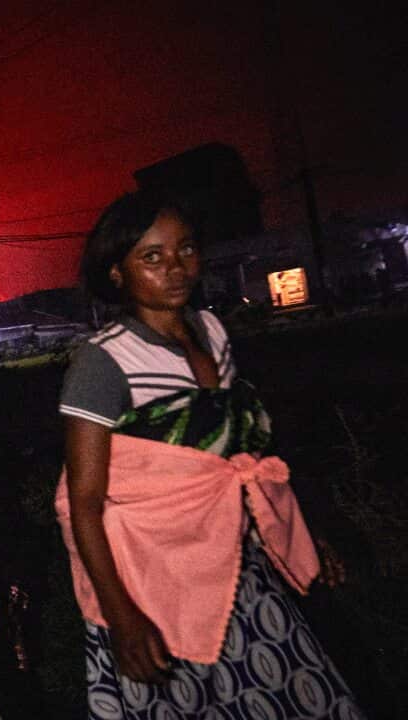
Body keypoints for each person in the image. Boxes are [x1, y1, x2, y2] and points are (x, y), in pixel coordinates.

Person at [56, 189, 364, 719]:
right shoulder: (102, 362)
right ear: (116, 274)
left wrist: (300, 532)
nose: (176, 268)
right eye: (151, 257)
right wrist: (122, 616)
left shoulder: (213, 331)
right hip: (154, 584)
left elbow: (241, 455)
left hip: (233, 562)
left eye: (186, 250)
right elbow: (83, 502)